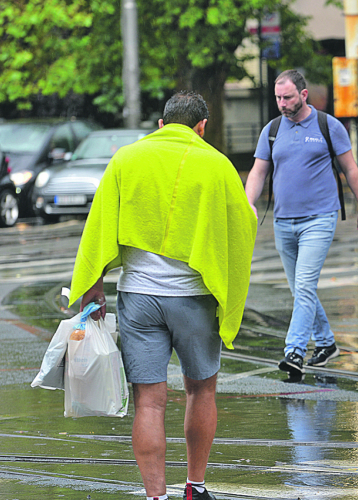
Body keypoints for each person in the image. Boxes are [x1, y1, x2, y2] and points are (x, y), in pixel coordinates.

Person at [68, 91, 257, 500]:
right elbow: (243, 225)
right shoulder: (217, 165)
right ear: (201, 126)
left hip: (138, 297)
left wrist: (94, 285)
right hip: (194, 298)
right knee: (200, 390)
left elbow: (98, 225)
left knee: (149, 403)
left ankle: (156, 496)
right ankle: (196, 485)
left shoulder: (126, 159)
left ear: (160, 125)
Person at [245, 69, 358, 379]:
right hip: (282, 221)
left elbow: (351, 170)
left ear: (303, 95)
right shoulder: (272, 129)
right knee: (300, 290)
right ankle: (327, 343)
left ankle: (294, 350)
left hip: (319, 218)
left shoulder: (327, 126)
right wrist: (248, 202)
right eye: (278, 97)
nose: (282, 103)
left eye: (287, 97)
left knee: (304, 286)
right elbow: (258, 172)